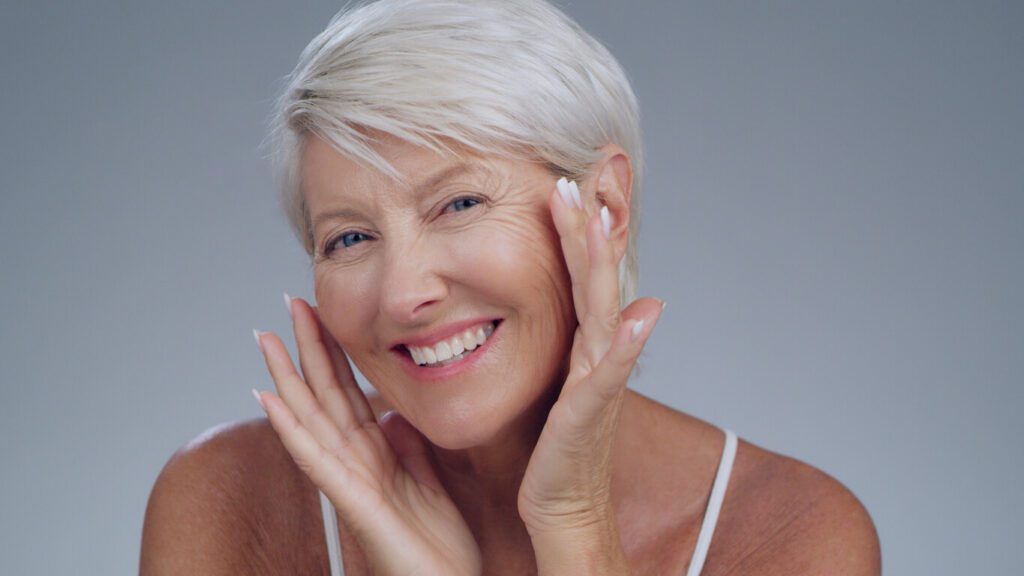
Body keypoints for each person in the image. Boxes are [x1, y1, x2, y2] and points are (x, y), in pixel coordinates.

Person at [140, 1, 881, 574]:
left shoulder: (788, 532)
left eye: (458, 204)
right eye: (350, 238)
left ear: (605, 209)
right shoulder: (228, 501)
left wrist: (576, 529)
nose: (403, 294)